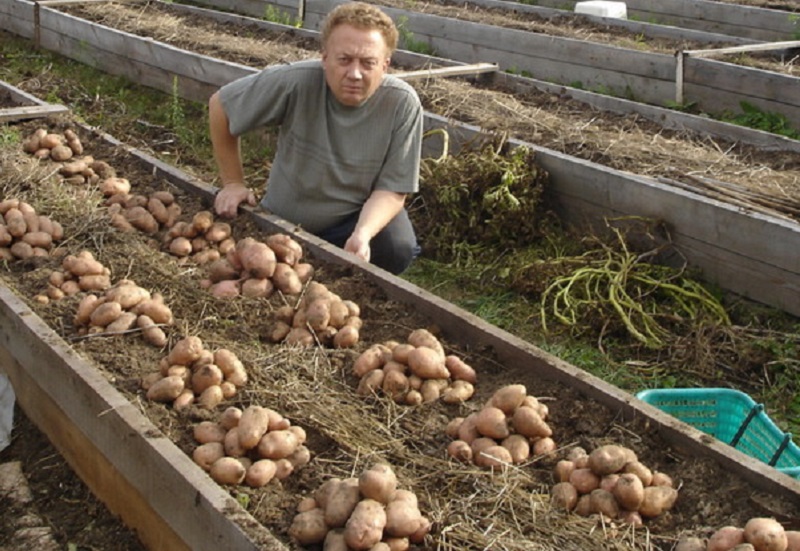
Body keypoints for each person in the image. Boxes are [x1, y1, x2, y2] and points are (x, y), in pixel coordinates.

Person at [208, 1, 423, 275]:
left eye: (368, 63)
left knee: (397, 247)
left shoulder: (401, 104)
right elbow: (221, 106)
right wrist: (233, 183)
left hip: (352, 217)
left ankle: (356, 276)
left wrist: (363, 233)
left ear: (385, 65)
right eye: (344, 60)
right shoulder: (297, 81)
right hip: (286, 218)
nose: (354, 74)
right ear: (325, 58)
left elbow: (393, 190)